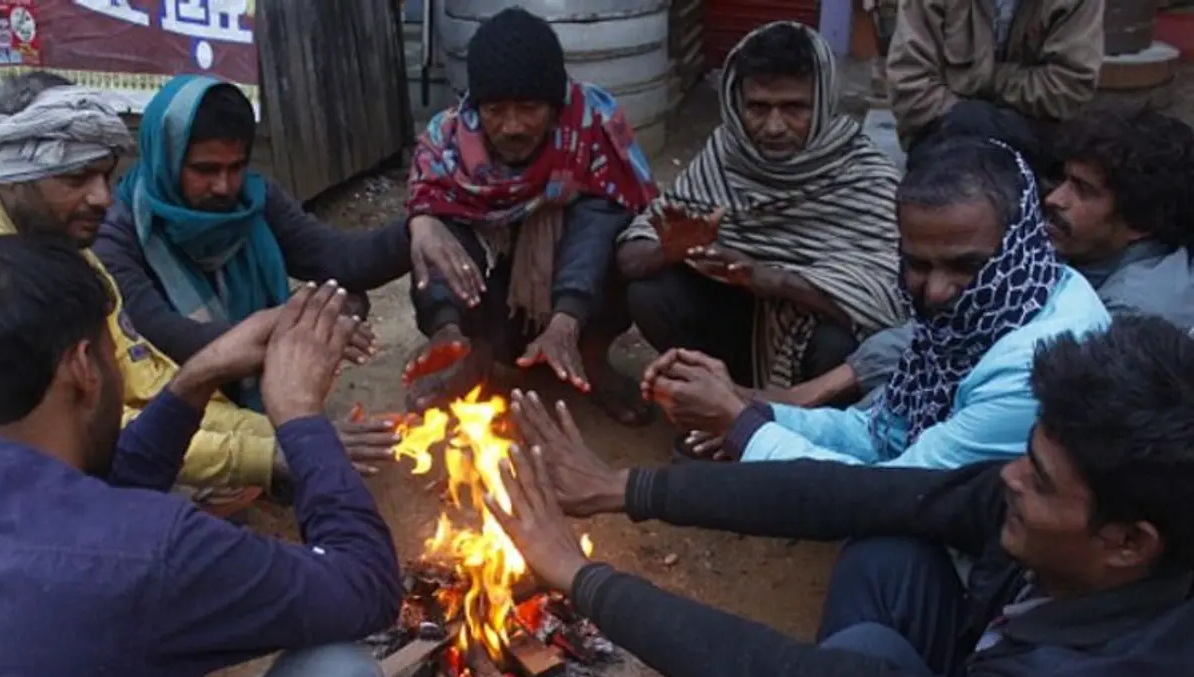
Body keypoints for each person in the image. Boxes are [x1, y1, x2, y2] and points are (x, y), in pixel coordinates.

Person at [490, 315, 1194, 677]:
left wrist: (584, 578)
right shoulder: (1093, 520)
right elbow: (855, 495)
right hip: (993, 659)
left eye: (1037, 479)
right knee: (890, 553)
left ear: (1129, 543)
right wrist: (628, 489)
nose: (1007, 476)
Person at [0, 235, 401, 677]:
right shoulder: (155, 553)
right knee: (339, 674)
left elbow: (84, 508)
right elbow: (367, 585)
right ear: (84, 367)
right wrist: (299, 416)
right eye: (112, 352)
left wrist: (195, 378)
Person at [0, 71, 322, 499]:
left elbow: (146, 381)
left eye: (105, 177)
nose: (103, 199)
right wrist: (263, 454)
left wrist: (284, 435)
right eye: (76, 179)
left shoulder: (66, 242)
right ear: (15, 177)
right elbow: (85, 429)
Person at [649, 136, 1111, 468]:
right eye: (919, 265)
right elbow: (877, 433)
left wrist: (743, 428)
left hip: (991, 568)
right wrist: (756, 412)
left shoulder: (1034, 366)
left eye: (964, 266)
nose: (935, 292)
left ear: (1021, 244)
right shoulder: (1002, 304)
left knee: (883, 559)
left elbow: (901, 490)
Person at [94, 74, 452, 475]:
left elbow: (338, 258)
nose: (224, 186)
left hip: (249, 375)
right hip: (173, 407)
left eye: (236, 166)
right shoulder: (116, 238)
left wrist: (420, 225)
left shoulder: (254, 199)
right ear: (165, 157)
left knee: (344, 298)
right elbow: (173, 339)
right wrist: (302, 328)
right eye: (204, 169)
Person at [783, 109, 1194, 412]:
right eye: (1063, 180)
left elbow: (969, 352)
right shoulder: (1085, 252)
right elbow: (953, 329)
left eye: (1083, 190)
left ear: (1140, 221)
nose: (1054, 198)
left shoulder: (1135, 311)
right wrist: (814, 392)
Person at [402, 7, 658, 426]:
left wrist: (566, 321)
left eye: (529, 108)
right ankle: (471, 354)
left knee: (615, 224)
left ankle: (586, 354)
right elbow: (423, 205)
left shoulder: (595, 129)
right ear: (476, 105)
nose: (513, 126)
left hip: (579, 295)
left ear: (556, 106)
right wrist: (422, 222)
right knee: (432, 231)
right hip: (498, 304)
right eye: (496, 110)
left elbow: (620, 216)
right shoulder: (447, 143)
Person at [619, 22, 904, 395]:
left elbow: (892, 303)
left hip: (814, 348)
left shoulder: (866, 174)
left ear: (823, 104)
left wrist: (773, 280)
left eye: (794, 108)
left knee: (842, 344)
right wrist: (669, 250)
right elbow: (629, 258)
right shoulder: (725, 157)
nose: (773, 127)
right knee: (651, 293)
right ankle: (716, 400)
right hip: (732, 330)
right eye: (758, 107)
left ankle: (798, 428)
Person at [888, 0, 1104, 154]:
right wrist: (969, 118)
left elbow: (1069, 87)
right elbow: (910, 88)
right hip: (943, 131)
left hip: (1032, 136)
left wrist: (982, 77)